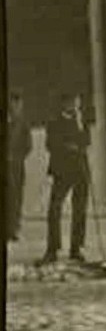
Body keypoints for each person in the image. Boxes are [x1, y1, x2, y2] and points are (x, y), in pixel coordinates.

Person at [39, 91, 90, 266]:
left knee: (80, 211)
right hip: (62, 171)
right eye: (73, 103)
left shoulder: (81, 121)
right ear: (65, 103)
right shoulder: (54, 123)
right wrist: (68, 147)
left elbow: (86, 141)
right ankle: (52, 249)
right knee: (54, 209)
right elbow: (50, 144)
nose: (76, 107)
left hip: (80, 171)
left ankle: (76, 249)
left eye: (78, 103)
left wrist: (80, 126)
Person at [6, 90, 32, 243]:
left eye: (18, 105)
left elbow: (28, 146)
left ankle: (14, 229)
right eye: (13, 104)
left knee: (16, 198)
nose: (15, 107)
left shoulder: (23, 124)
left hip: (17, 168)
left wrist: (16, 157)